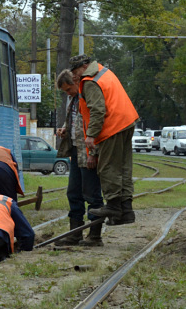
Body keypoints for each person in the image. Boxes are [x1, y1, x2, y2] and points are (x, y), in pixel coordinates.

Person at [70, 54, 139, 225]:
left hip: (112, 126)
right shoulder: (104, 72)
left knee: (108, 167)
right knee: (123, 168)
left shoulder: (89, 81)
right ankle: (126, 211)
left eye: (75, 71)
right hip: (126, 122)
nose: (75, 75)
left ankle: (114, 206)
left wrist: (91, 135)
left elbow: (97, 110)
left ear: (84, 66)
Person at [54, 69, 105, 246]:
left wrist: (93, 153)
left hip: (88, 152)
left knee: (92, 194)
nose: (68, 93)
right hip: (76, 152)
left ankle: (95, 235)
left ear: (76, 82)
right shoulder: (74, 100)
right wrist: (64, 129)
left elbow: (95, 123)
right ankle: (75, 233)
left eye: (69, 89)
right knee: (74, 193)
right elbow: (76, 123)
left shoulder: (88, 96)